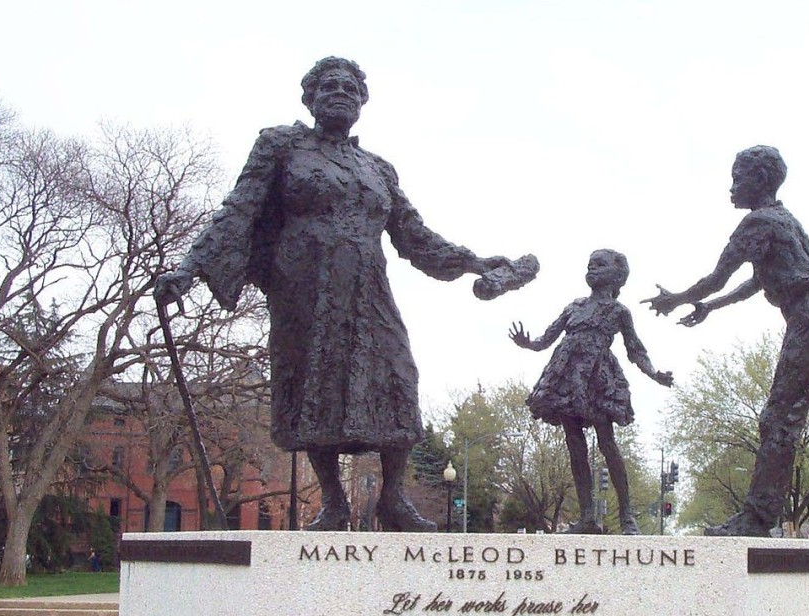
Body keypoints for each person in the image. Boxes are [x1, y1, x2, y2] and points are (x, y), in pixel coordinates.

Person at [155, 57, 534, 532]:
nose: (341, 94)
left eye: (351, 88)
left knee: (399, 376)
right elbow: (238, 209)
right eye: (329, 87)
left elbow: (415, 237)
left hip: (367, 285)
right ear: (309, 99)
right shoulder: (281, 145)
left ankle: (392, 498)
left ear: (363, 102)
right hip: (305, 285)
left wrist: (477, 262)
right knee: (317, 385)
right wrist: (189, 269)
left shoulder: (377, 168)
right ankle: (333, 502)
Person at [644, 145, 809, 540]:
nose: (732, 187)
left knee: (780, 415)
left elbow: (719, 276)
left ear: (762, 180)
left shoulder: (758, 223)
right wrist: (711, 308)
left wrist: (677, 298)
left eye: (739, 178)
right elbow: (758, 280)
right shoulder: (787, 221)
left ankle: (758, 516)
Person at [510, 249, 672, 534]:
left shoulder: (619, 311)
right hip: (566, 376)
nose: (592, 268)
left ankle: (626, 517)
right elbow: (546, 339)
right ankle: (587, 517)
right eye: (589, 265)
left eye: (600, 265)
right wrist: (528, 343)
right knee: (575, 445)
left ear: (617, 275)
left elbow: (635, 349)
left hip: (598, 378)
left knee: (608, 443)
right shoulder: (574, 307)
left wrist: (654, 373)